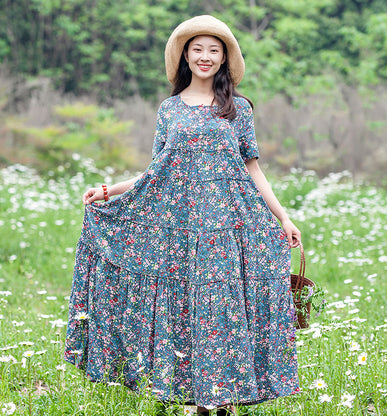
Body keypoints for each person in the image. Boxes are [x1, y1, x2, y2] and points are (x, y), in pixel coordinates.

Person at [64, 15, 301, 416]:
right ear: (185, 57)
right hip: (179, 229)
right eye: (198, 49)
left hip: (227, 229)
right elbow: (156, 170)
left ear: (224, 58)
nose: (205, 57)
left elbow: (253, 169)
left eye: (214, 50)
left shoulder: (237, 109)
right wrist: (109, 190)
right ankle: (191, 398)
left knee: (221, 310)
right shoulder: (169, 110)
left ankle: (222, 402)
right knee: (186, 308)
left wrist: (283, 218)